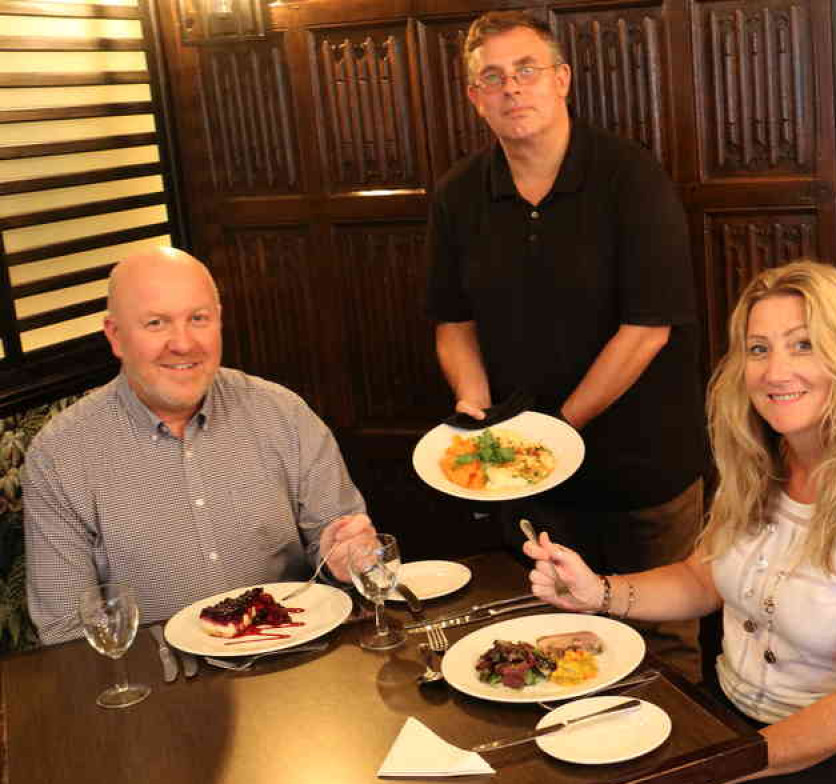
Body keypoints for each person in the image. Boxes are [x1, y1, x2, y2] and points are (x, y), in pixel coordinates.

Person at [524, 260, 836, 784]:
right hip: (735, 711)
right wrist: (598, 593)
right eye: (758, 349)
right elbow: (700, 579)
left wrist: (717, 772)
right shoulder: (762, 460)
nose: (775, 371)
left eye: (803, 345)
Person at [425, 10, 707, 677]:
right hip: (533, 478)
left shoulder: (630, 175)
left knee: (665, 651)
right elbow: (452, 321)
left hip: (644, 469)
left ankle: (680, 782)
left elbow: (648, 328)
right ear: (475, 99)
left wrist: (556, 432)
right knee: (560, 646)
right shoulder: (458, 194)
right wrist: (474, 406)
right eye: (491, 78)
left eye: (526, 71)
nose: (511, 88)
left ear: (562, 81)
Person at [24, 247, 373, 645]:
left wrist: (345, 559)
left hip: (293, 656)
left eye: (198, 319)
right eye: (156, 323)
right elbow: (65, 627)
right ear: (116, 337)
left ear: (219, 321)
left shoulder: (283, 413)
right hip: (160, 683)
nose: (183, 343)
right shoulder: (60, 455)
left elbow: (344, 553)